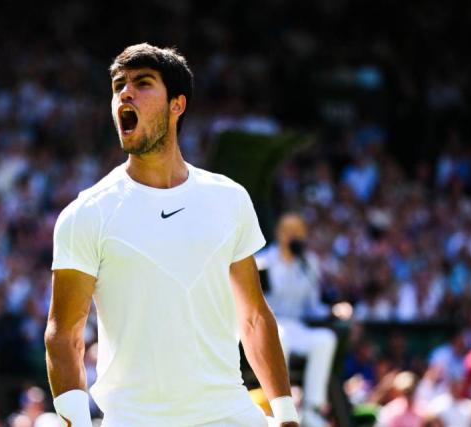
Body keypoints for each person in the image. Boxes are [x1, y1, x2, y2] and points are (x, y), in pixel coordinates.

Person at [45, 43, 299, 427]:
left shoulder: (230, 199)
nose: (125, 93)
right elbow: (64, 336)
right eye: (118, 86)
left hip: (231, 415)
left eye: (142, 83)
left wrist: (285, 415)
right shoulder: (86, 213)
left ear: (177, 105)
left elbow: (254, 317)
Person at [255, 213, 337, 426]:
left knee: (325, 339)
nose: (294, 236)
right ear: (280, 234)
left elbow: (313, 307)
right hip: (271, 326)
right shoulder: (263, 262)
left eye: (299, 233)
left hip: (298, 326)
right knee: (280, 336)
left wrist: (333, 311)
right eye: (290, 232)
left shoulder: (309, 263)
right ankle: (284, 407)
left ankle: (312, 409)